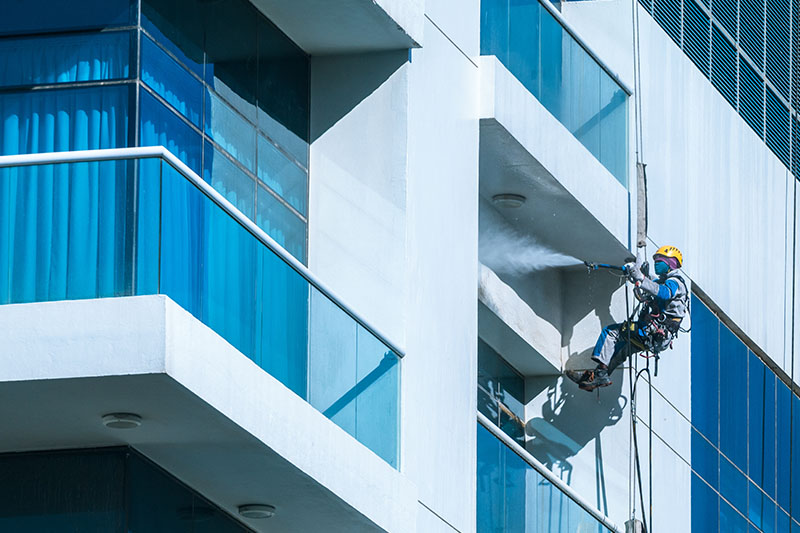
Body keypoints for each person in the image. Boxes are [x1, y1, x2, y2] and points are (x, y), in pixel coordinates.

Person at [579, 245, 689, 392]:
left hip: (655, 333)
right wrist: (636, 272)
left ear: (671, 263)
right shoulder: (664, 281)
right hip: (654, 337)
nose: (656, 262)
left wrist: (641, 277)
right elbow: (650, 283)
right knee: (621, 350)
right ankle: (596, 377)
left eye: (660, 260)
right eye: (655, 260)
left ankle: (600, 374)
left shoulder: (676, 282)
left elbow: (662, 292)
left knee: (611, 332)